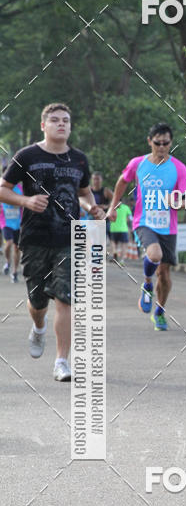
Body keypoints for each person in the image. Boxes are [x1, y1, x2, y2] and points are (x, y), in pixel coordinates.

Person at [0, 103, 103, 380]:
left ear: (70, 126)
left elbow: (84, 193)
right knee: (37, 300)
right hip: (34, 238)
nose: (61, 124)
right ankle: (39, 326)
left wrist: (91, 208)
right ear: (43, 125)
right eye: (55, 120)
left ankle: (61, 361)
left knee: (65, 298)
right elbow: (3, 189)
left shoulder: (79, 159)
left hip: (68, 238)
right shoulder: (27, 156)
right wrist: (25, 200)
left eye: (66, 121)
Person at [107, 122, 186, 331]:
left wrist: (177, 203)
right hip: (144, 221)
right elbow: (122, 181)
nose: (161, 147)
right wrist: (113, 205)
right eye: (157, 143)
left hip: (168, 227)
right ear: (149, 142)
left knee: (165, 274)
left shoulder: (179, 168)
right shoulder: (138, 164)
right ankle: (146, 284)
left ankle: (160, 311)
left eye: (166, 143)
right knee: (154, 255)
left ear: (171, 143)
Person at [2, 182, 23, 282]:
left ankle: (14, 272)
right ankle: (8, 261)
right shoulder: (2, 186)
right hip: (6, 222)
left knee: (17, 248)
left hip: (18, 223)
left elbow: (23, 203)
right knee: (9, 243)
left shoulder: (19, 188)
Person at [108, 196, 133, 263]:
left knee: (113, 242)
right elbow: (130, 218)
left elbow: (108, 216)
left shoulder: (112, 207)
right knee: (124, 244)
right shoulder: (126, 207)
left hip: (113, 228)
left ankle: (115, 251)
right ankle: (122, 260)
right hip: (123, 228)